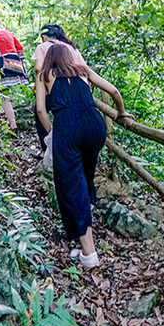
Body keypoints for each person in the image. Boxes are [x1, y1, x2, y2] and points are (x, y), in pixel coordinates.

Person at [35, 43, 130, 268]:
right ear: (69, 56)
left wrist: (51, 133)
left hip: (68, 126)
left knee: (70, 185)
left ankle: (89, 253)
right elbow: (114, 91)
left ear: (50, 59)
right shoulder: (82, 70)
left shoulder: (44, 75)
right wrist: (121, 112)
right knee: (85, 174)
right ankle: (86, 215)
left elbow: (40, 110)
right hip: (94, 126)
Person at [32, 24, 86, 152]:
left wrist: (44, 81)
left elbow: (38, 67)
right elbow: (84, 68)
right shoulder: (71, 47)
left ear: (44, 36)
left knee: (40, 110)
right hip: (78, 92)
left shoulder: (43, 46)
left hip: (55, 90)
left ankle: (47, 147)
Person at [0, 18, 27, 132]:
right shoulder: (8, 32)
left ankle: (13, 124)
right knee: (12, 92)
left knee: (4, 96)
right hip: (15, 62)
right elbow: (20, 48)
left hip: (1, 63)